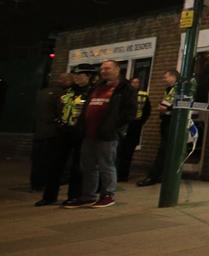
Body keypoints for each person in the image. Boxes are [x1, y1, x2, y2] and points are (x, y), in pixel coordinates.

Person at [62, 60, 135, 208]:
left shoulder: (124, 88)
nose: (104, 71)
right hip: (89, 133)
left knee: (106, 165)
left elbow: (129, 113)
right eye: (102, 69)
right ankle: (88, 196)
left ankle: (108, 195)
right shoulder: (97, 87)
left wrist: (113, 127)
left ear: (117, 69)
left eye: (107, 68)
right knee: (88, 166)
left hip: (107, 135)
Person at [37, 70, 89, 206]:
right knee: (56, 164)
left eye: (81, 76)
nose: (77, 78)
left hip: (80, 133)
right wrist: (58, 121)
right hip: (64, 131)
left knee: (77, 167)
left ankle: (74, 196)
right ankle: (49, 196)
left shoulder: (91, 92)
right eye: (75, 76)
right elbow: (58, 106)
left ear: (88, 77)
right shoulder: (67, 91)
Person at [138, 69, 179, 187]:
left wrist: (163, 108)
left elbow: (163, 107)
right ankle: (161, 175)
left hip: (171, 123)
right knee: (166, 150)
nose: (164, 79)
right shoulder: (170, 89)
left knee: (163, 150)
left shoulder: (175, 89)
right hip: (168, 122)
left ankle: (154, 176)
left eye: (166, 77)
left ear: (173, 77)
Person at [31, 73, 69, 193]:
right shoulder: (61, 94)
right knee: (49, 159)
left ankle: (36, 182)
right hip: (52, 132)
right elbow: (61, 112)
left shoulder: (41, 93)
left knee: (38, 159)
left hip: (40, 131)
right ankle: (45, 182)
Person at [116, 76, 151, 182]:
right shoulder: (124, 94)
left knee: (128, 151)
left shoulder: (143, 95)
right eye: (133, 82)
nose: (135, 84)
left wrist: (140, 122)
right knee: (119, 150)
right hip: (123, 125)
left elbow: (147, 110)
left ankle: (123, 175)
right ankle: (117, 172)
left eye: (137, 82)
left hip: (135, 125)